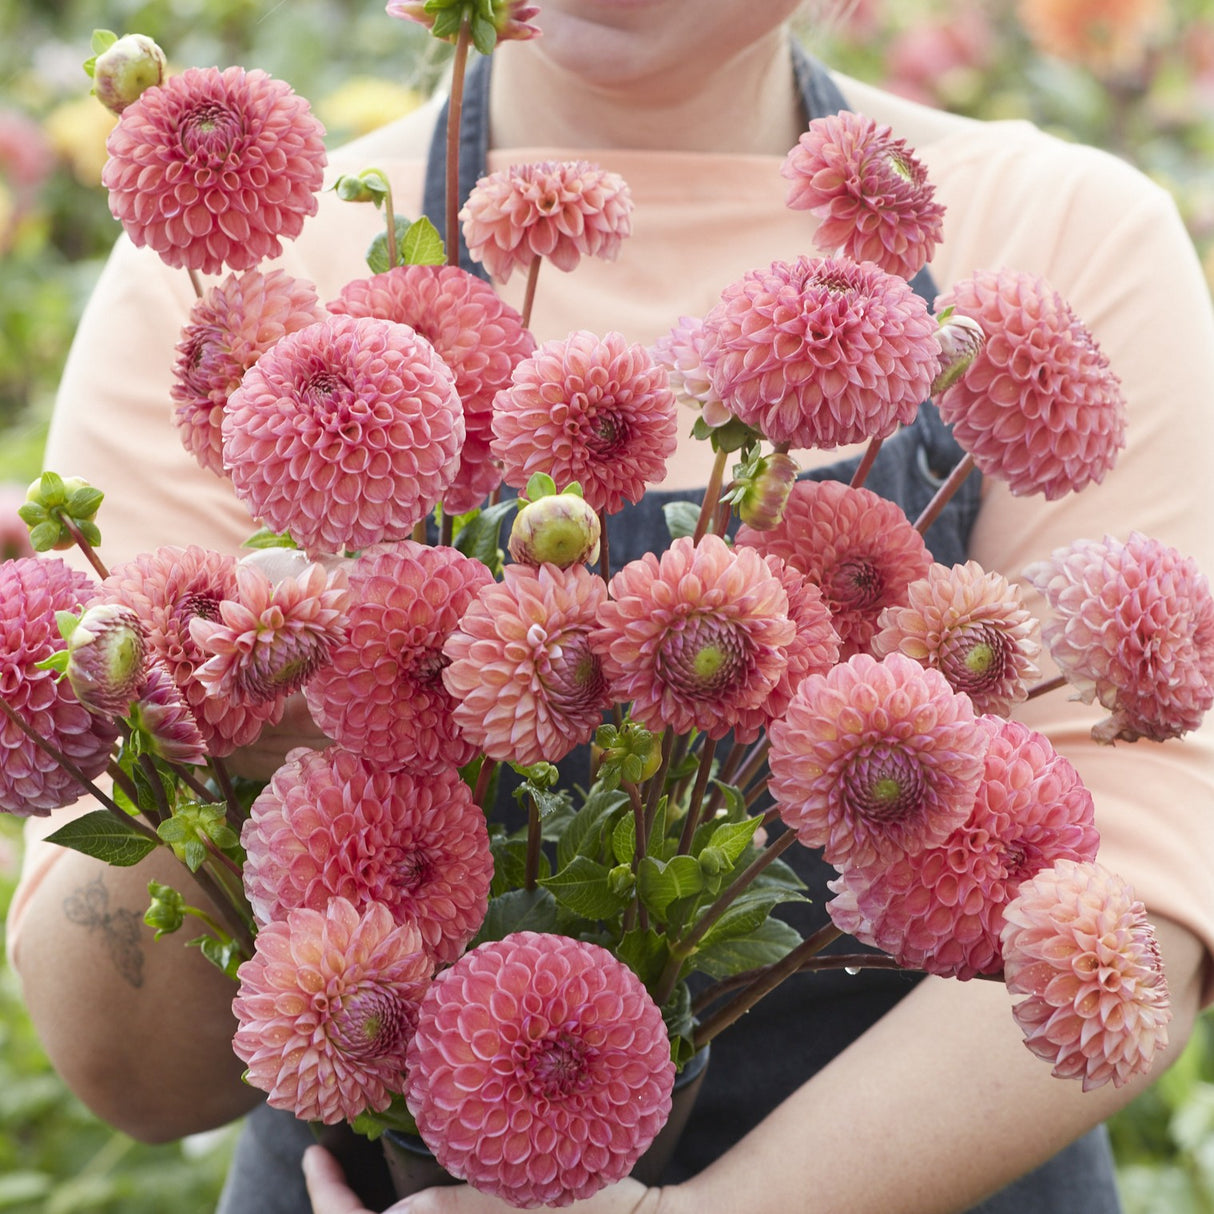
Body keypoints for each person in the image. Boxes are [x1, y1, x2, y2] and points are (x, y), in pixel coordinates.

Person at [8, 2, 1214, 1212]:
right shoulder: (247, 285)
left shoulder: (1058, 238)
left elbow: (1138, 901)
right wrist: (239, 733)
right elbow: (134, 1075)